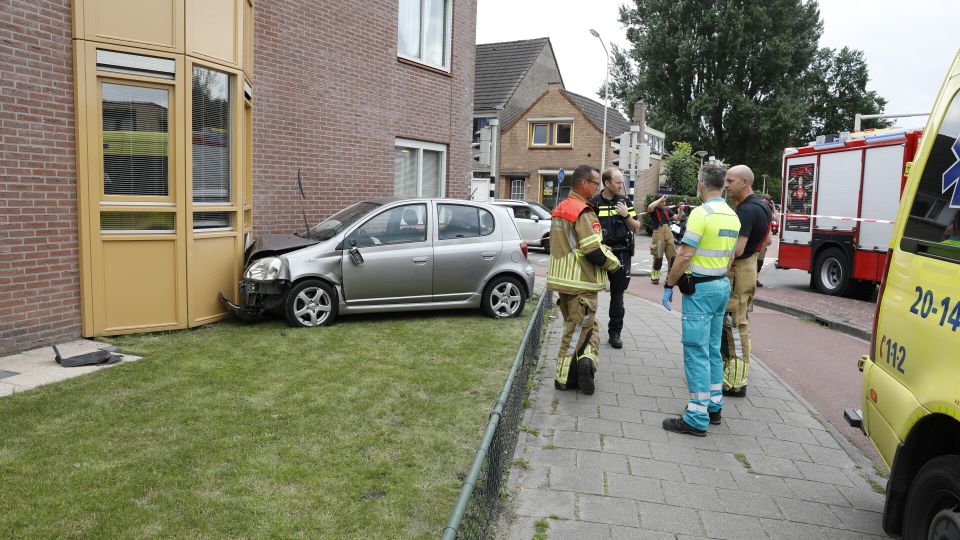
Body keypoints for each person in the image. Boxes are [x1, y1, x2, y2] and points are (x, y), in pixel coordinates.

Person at [660, 164, 740, 436]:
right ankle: (714, 407)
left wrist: (670, 283)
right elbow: (731, 257)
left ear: (703, 184)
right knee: (713, 349)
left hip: (700, 292)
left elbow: (684, 255)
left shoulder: (700, 214)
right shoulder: (732, 215)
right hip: (721, 287)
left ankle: (696, 416)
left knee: (695, 351)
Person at [547, 165, 622, 395]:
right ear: (583, 183)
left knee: (585, 328)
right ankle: (563, 378)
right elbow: (592, 251)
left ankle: (585, 363)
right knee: (575, 332)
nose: (597, 187)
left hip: (563, 281)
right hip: (582, 282)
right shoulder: (584, 211)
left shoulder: (561, 207)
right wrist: (615, 266)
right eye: (595, 183)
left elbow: (572, 244)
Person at [720, 165, 772, 397]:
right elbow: (768, 239)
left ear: (744, 182)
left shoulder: (746, 211)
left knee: (734, 323)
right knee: (740, 320)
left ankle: (735, 381)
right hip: (749, 268)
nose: (726, 185)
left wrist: (718, 267)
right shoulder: (763, 206)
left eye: (730, 181)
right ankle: (734, 373)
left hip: (739, 270)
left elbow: (737, 249)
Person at [591, 167, 642, 349]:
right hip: (599, 252)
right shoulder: (594, 202)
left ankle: (615, 333)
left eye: (622, 182)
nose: (622, 185)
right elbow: (587, 228)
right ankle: (589, 332)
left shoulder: (624, 201)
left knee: (617, 295)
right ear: (607, 183)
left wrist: (626, 215)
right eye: (618, 182)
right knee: (589, 292)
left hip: (621, 253)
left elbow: (636, 226)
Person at [647, 195, 679, 284]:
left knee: (672, 257)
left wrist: (680, 210)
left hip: (669, 234)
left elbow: (677, 218)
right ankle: (655, 277)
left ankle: (670, 278)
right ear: (657, 201)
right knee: (658, 256)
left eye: (664, 201)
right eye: (662, 201)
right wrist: (661, 198)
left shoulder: (667, 209)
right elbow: (650, 206)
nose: (663, 203)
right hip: (658, 234)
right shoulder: (653, 210)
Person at [755, 195, 776, 288]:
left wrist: (773, 207)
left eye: (767, 201)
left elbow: (777, 219)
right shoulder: (758, 208)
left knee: (760, 261)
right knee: (755, 261)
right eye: (765, 200)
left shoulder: (768, 210)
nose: (765, 203)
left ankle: (755, 279)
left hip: (763, 239)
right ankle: (753, 279)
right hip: (758, 238)